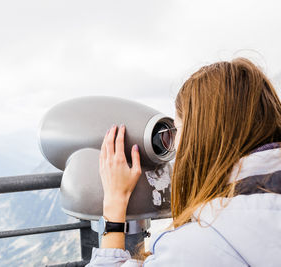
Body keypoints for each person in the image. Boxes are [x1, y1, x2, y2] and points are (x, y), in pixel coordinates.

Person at [86, 57, 281, 266]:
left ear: (199, 136)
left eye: (176, 131)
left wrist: (114, 204)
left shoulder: (201, 243)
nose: (175, 145)